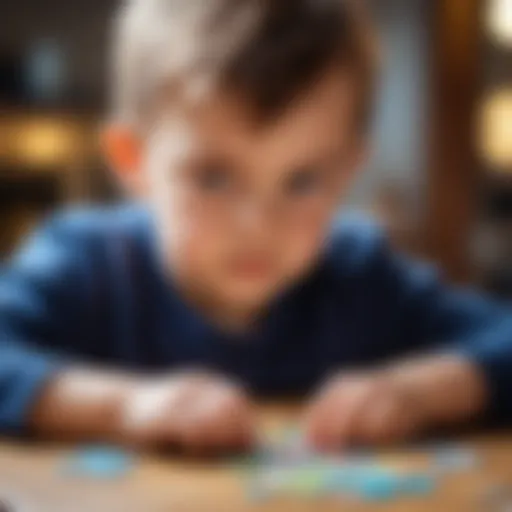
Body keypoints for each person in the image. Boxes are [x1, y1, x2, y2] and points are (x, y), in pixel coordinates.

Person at [1, 0, 511, 454]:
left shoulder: (362, 277)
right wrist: (124, 407)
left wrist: (420, 392)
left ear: (348, 170)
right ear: (133, 159)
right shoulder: (84, 265)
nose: (258, 226)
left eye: (303, 180)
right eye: (214, 177)